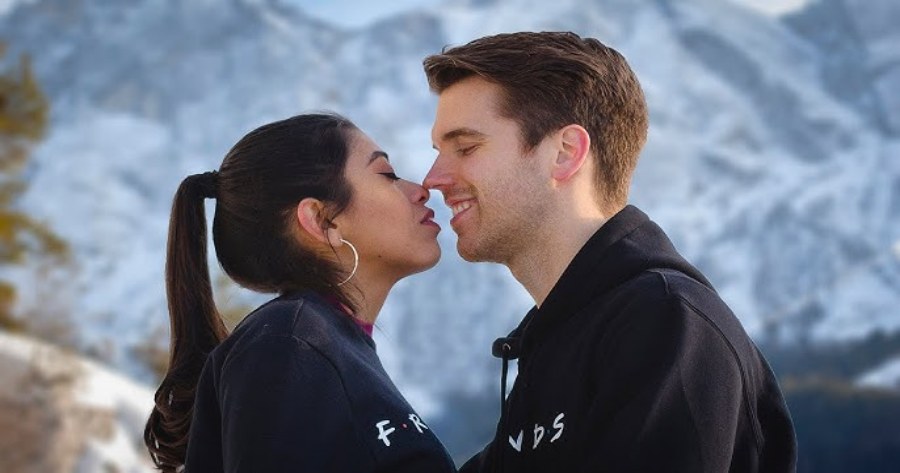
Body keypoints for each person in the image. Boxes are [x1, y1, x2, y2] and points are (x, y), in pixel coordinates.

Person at [422, 32, 797, 472]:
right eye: (439, 152)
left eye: (466, 148)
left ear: (565, 153)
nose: (433, 178)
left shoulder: (663, 322)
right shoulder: (559, 338)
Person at [143, 113, 456, 473]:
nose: (421, 189)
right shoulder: (288, 344)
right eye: (387, 175)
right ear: (322, 220)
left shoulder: (319, 345)